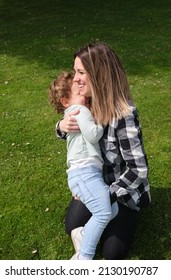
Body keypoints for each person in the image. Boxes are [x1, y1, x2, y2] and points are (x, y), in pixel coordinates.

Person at [56, 42, 151, 260]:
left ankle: (120, 216)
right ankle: (101, 217)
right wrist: (60, 127)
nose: (76, 78)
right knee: (72, 225)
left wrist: (105, 194)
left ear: (98, 74)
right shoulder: (85, 104)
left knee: (112, 252)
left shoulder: (124, 114)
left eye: (81, 72)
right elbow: (75, 138)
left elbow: (138, 170)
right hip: (96, 181)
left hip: (122, 190)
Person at [49, 71, 118, 260]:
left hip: (84, 172)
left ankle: (84, 234)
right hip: (85, 172)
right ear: (65, 101)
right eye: (79, 93)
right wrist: (102, 120)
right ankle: (83, 258)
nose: (85, 96)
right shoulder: (81, 111)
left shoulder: (72, 112)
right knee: (104, 213)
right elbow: (93, 135)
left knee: (113, 209)